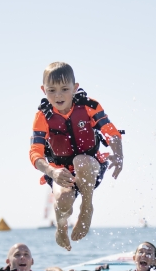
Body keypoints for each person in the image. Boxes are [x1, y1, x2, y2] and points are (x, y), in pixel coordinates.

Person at [29, 62, 124, 250]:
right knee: (64, 200)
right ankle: (61, 227)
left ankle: (87, 207)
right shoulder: (43, 116)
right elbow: (35, 153)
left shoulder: (89, 106)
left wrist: (119, 155)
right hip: (60, 171)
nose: (58, 95)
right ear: (43, 90)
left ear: (75, 88)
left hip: (90, 167)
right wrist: (52, 172)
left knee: (81, 160)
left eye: (64, 89)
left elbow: (111, 132)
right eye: (52, 90)